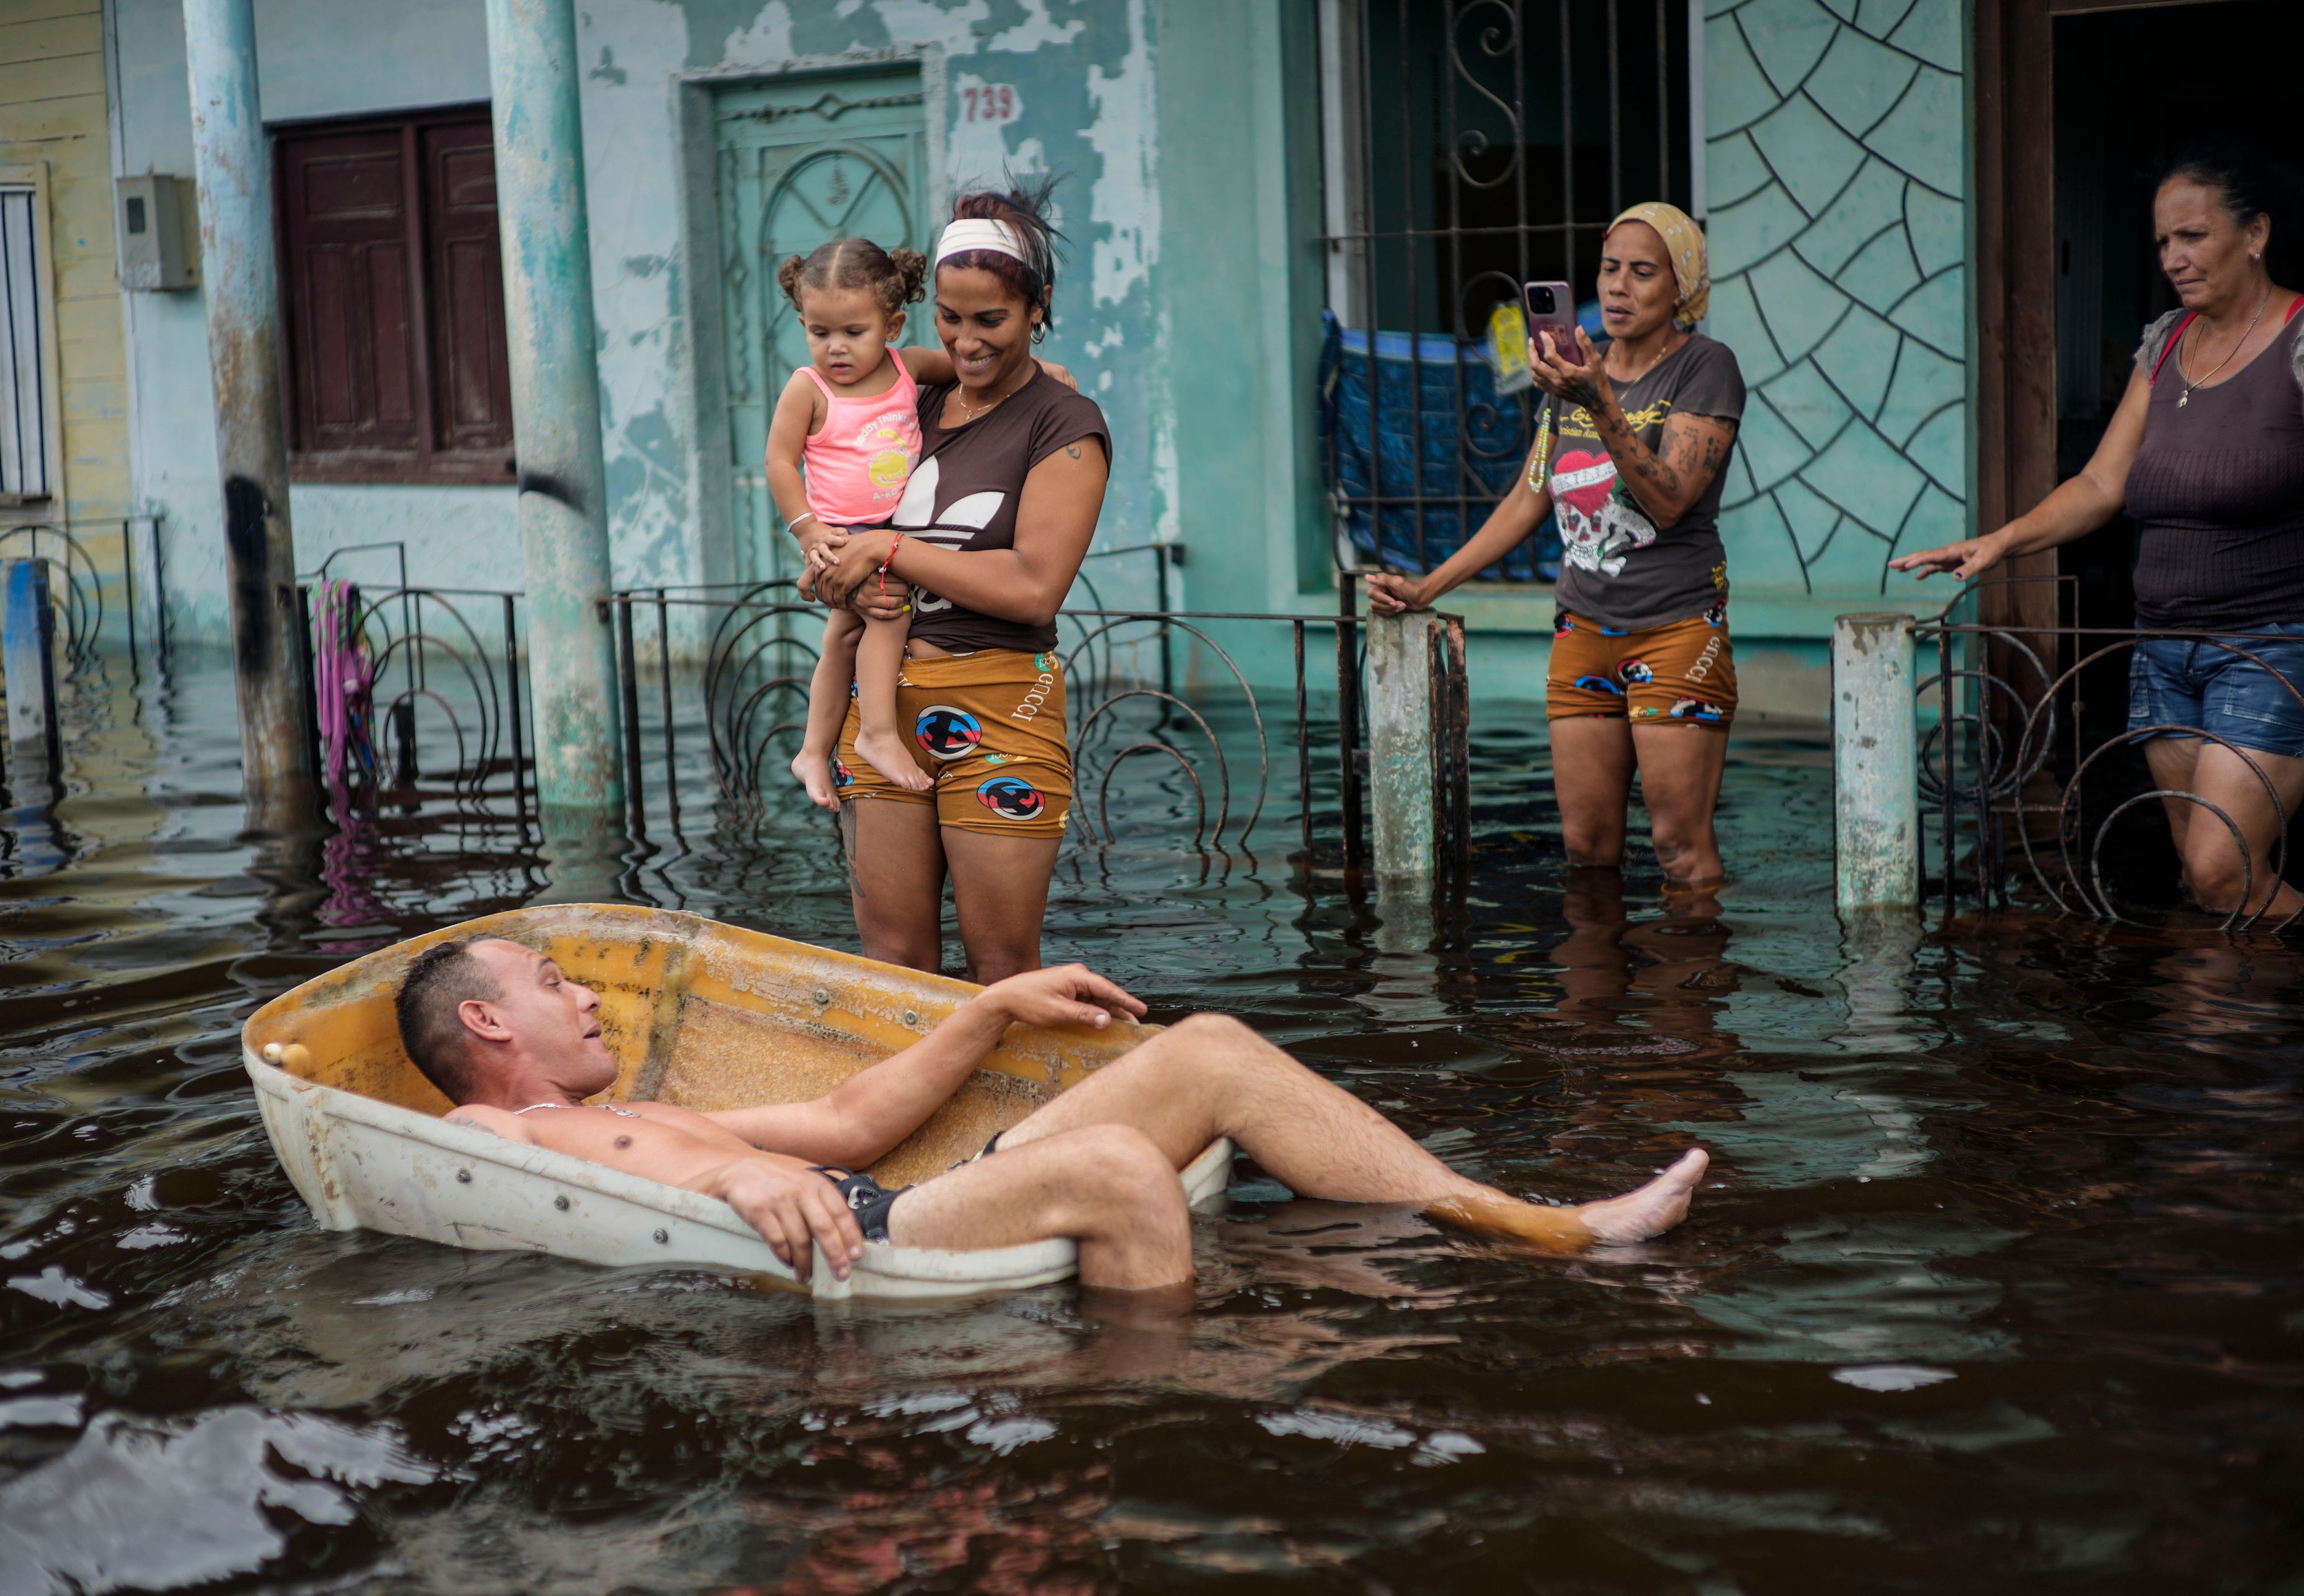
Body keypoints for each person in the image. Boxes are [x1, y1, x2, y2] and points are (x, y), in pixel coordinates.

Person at [396, 934, 1712, 1289]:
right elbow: (467, 1170)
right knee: (1123, 1166)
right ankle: (1157, 1408)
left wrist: (993, 1005)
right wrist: (736, 1183)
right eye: (556, 982)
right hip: (884, 1240)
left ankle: (1531, 1219)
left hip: (888, 1193)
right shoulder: (491, 1134)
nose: (590, 999)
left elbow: (856, 1119)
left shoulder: (665, 1104)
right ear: (490, 1027)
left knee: (1215, 1050)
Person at [1891, 148, 2304, 918]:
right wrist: (2000, 541)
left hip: (2271, 647)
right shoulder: (2166, 344)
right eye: (2161, 243)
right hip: (2163, 652)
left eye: (2192, 236)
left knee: (2221, 871)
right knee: (2205, 882)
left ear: (2255, 234)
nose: (2173, 259)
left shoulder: (2297, 340)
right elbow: (2100, 484)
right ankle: (2222, 1032)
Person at [1366, 203, 1747, 893]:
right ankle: (1593, 1001)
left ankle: (1686, 998)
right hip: (1582, 634)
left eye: (1643, 272)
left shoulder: (1704, 367)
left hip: (1675, 630)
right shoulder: (1573, 375)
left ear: (1682, 288)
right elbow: (1526, 498)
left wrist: (1599, 399)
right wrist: (1427, 588)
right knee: (1586, 847)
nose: (1618, 288)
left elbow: (1668, 501)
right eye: (1609, 270)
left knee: (1679, 849)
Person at [808, 181, 1111, 982]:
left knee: (1004, 970)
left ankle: (1027, 1116)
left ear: (1037, 308)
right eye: (950, 316)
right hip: (881, 711)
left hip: (1003, 706)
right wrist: (840, 575)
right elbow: (845, 531)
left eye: (991, 320)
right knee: (894, 967)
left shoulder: (1064, 425)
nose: (967, 340)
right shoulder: (916, 402)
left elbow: (1032, 588)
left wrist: (888, 551)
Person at [769, 239, 937, 806]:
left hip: (896, 530)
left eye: (853, 332)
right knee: (888, 616)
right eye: (820, 333)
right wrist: (807, 530)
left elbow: (973, 369)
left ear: (892, 326)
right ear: (803, 324)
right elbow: (777, 461)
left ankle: (812, 751)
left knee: (842, 640)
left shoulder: (906, 366)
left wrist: (1041, 369)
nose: (835, 348)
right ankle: (877, 734)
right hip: (842, 535)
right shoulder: (807, 388)